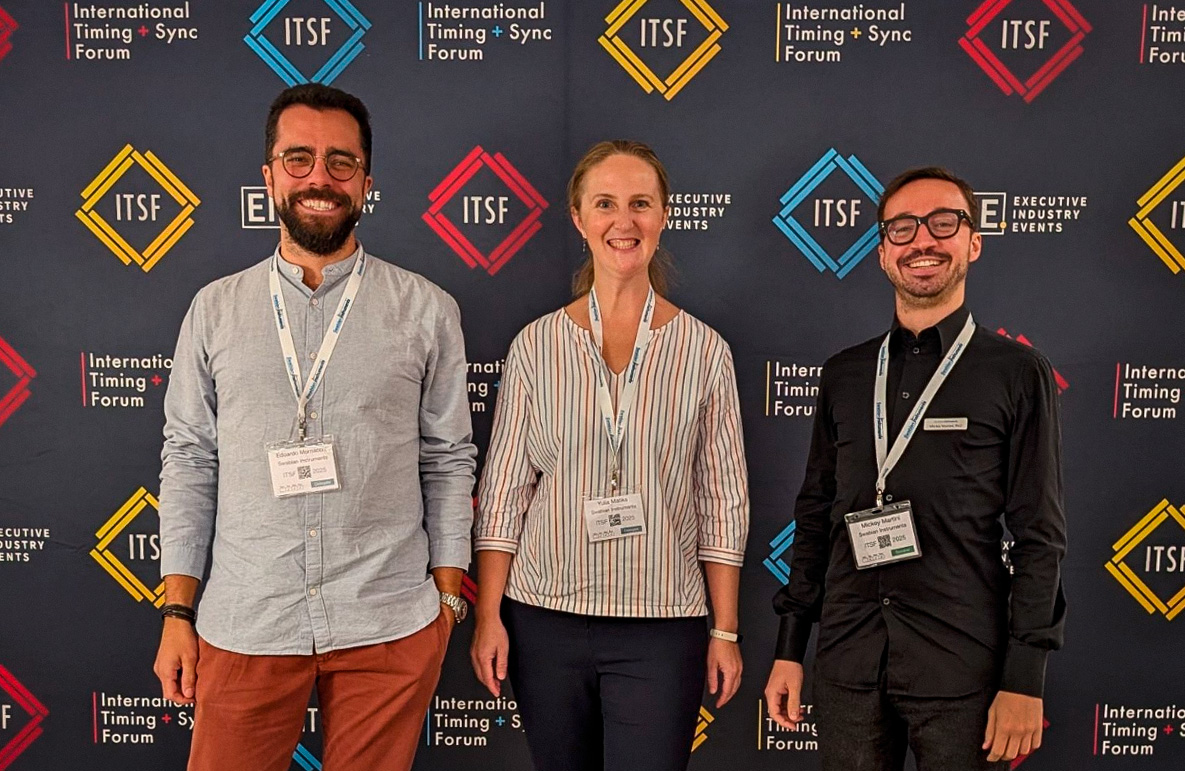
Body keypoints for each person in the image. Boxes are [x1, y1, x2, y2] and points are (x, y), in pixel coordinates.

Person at [152, 84, 477, 771]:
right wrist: (177, 613)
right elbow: (189, 459)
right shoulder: (214, 310)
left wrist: (447, 597)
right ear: (269, 176)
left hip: (387, 617)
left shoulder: (426, 309)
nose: (319, 178)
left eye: (341, 162)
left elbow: (448, 458)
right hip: (248, 616)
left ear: (366, 182)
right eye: (298, 159)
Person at [763, 167, 1067, 770]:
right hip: (848, 663)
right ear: (882, 252)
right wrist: (790, 647)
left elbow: (1040, 536)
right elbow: (815, 516)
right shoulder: (846, 374)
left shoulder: (1016, 372)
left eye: (943, 223)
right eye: (902, 228)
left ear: (973, 243)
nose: (922, 240)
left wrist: (1025, 677)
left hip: (961, 671)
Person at [470, 140, 749, 771]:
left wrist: (725, 630)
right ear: (578, 218)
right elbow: (505, 494)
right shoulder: (536, 346)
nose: (624, 221)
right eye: (605, 204)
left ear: (665, 215)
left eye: (640, 204)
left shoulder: (705, 352)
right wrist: (489, 616)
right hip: (544, 619)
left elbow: (723, 501)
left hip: (663, 624)